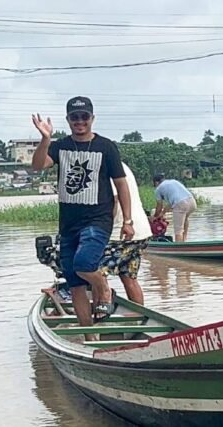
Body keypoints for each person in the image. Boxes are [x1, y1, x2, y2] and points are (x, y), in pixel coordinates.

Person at [31, 96, 134, 332]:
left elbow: (121, 184)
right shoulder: (60, 146)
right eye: (74, 117)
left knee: (84, 264)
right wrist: (45, 139)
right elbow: (37, 165)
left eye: (84, 117)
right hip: (69, 224)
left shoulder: (106, 147)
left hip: (98, 219)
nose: (80, 121)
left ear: (92, 118)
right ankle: (89, 336)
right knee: (75, 284)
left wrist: (127, 221)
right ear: (68, 120)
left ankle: (103, 287)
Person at [99, 162, 152, 305]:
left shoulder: (106, 166)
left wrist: (102, 228)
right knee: (129, 278)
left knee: (94, 271)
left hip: (121, 233)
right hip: (140, 232)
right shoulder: (121, 165)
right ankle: (140, 314)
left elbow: (114, 200)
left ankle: (103, 302)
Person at [152, 175, 197, 242]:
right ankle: (184, 241)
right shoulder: (174, 181)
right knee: (185, 219)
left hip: (181, 204)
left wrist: (155, 217)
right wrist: (162, 213)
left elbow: (159, 206)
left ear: (156, 182)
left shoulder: (158, 189)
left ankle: (179, 245)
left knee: (178, 230)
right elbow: (171, 203)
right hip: (192, 202)